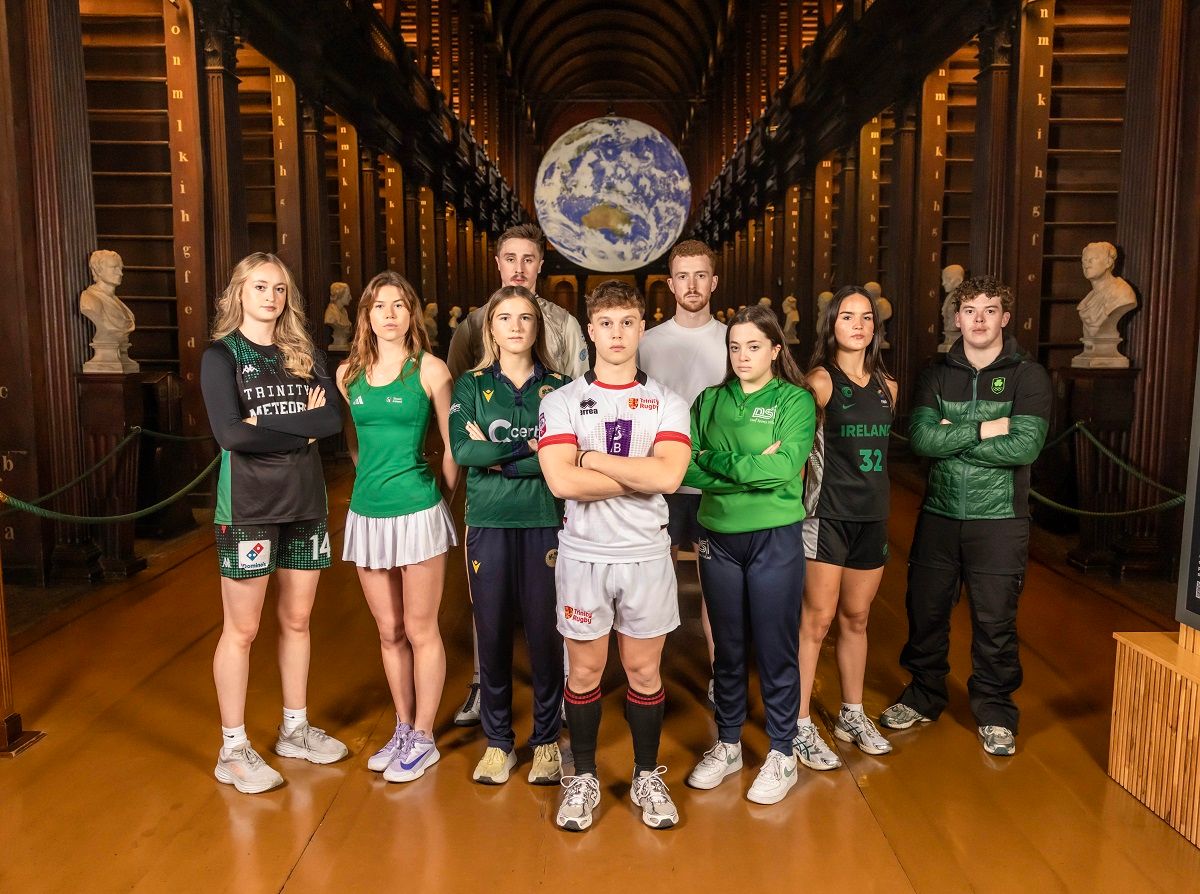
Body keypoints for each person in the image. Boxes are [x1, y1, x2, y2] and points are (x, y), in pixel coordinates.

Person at [537, 280, 691, 832]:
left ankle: (647, 775)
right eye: (606, 323)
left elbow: (669, 476)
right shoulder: (560, 402)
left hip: (646, 554)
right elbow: (560, 483)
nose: (617, 333)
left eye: (627, 322)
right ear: (590, 331)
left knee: (644, 671)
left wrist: (592, 459)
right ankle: (583, 777)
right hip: (584, 555)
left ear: (641, 328)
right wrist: (640, 474)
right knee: (584, 672)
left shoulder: (668, 401)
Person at [880, 275, 1051, 757]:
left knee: (995, 620)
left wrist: (954, 433)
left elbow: (1025, 446)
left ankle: (995, 712)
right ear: (957, 318)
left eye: (989, 310)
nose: (979, 319)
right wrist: (987, 428)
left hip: (999, 519)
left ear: (1005, 318)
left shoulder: (1028, 376)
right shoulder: (936, 373)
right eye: (970, 310)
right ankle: (923, 696)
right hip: (939, 513)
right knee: (925, 611)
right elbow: (922, 439)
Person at [200, 252, 346, 794]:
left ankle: (294, 729)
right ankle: (233, 748)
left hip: (305, 503)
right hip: (249, 509)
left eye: (279, 288)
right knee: (242, 629)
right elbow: (231, 434)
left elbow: (329, 420)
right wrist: (296, 427)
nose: (270, 297)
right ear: (239, 291)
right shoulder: (222, 356)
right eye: (260, 286)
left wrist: (266, 420)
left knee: (298, 619)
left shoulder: (304, 352)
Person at [447, 223, 589, 726]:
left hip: (548, 499)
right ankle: (485, 694)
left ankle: (560, 700)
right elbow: (461, 428)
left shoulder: (564, 326)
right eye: (510, 258)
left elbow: (576, 417)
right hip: (491, 502)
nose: (519, 268)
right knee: (489, 611)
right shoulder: (472, 329)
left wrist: (504, 454)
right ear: (498, 263)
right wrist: (520, 449)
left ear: (540, 265)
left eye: (529, 259)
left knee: (548, 609)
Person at [682, 305, 817, 805]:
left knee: (775, 647)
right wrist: (746, 466)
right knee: (729, 647)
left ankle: (782, 752)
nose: (742, 356)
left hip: (774, 537)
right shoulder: (710, 400)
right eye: (735, 347)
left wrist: (717, 462)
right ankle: (729, 743)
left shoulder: (795, 400)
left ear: (776, 350)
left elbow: (783, 469)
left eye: (754, 347)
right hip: (719, 536)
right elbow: (686, 467)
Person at [336, 271, 459, 783]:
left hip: (418, 512)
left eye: (399, 305)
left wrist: (439, 502)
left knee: (420, 628)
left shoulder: (430, 368)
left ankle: (425, 737)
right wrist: (369, 480)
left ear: (412, 314)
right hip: (367, 513)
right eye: (378, 306)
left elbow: (452, 446)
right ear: (366, 315)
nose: (389, 314)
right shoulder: (348, 374)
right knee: (389, 631)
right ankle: (403, 727)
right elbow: (354, 441)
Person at [449, 285, 569, 785]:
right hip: (489, 522)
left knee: (545, 634)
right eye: (505, 318)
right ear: (490, 329)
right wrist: (530, 450)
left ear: (537, 328)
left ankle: (545, 741)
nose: (516, 326)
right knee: (493, 633)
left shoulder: (561, 387)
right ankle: (499, 743)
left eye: (525, 317)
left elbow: (562, 457)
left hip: (544, 521)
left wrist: (499, 457)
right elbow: (464, 452)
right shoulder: (471, 385)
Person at [795, 286, 898, 773]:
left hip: (871, 516)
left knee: (857, 618)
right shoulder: (819, 381)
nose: (858, 325)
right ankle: (797, 723)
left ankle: (852, 714)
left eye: (866, 318)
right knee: (817, 621)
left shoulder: (888, 386)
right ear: (831, 325)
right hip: (827, 515)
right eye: (847, 317)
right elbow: (799, 454)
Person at [637, 239, 727, 706]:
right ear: (670, 284)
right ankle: (648, 678)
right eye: (683, 276)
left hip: (713, 482)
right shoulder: (647, 343)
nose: (692, 285)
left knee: (716, 588)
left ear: (714, 281)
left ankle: (721, 680)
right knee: (656, 584)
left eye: (701, 275)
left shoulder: (733, 340)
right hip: (661, 482)